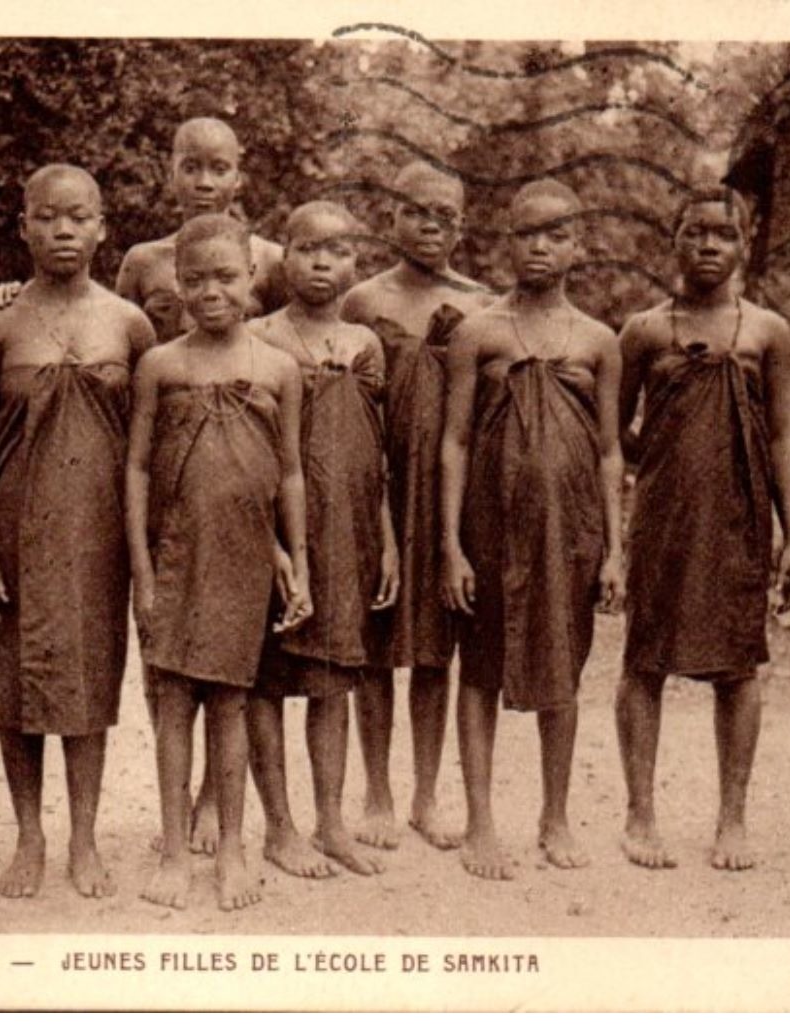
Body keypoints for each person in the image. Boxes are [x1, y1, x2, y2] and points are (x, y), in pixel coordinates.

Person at [0, 165, 155, 900]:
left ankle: (84, 838)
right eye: (47, 218)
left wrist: (143, 554)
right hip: (13, 531)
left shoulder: (129, 323)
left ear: (102, 226)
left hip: (96, 533)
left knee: (87, 681)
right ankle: (29, 836)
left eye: (78, 217)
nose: (63, 231)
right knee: (12, 681)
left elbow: (144, 450)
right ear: (23, 226)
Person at [616, 188, 790, 871]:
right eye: (693, 232)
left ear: (743, 245)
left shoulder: (766, 332)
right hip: (662, 519)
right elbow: (613, 434)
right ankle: (640, 816)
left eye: (722, 234)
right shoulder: (642, 331)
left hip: (740, 518)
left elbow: (785, 435)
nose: (706, 245)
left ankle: (732, 819)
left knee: (737, 664)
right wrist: (670, 459)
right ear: (672, 240)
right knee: (644, 660)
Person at [127, 213, 311, 911]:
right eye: (195, 278)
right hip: (174, 558)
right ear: (176, 282)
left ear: (252, 279)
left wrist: (298, 561)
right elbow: (138, 470)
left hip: (243, 560)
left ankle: (232, 849)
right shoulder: (160, 365)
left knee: (231, 706)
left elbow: (289, 473)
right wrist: (143, 570)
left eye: (225, 277)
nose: (211, 291)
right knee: (172, 707)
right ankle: (174, 852)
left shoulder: (276, 368)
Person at [440, 180, 623, 880]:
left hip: (568, 530)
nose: (539, 248)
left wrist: (614, 550)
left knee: (563, 665)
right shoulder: (478, 332)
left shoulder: (598, 341)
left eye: (554, 234)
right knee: (480, 667)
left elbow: (609, 452)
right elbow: (453, 442)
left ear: (576, 244)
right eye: (526, 234)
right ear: (507, 241)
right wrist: (449, 545)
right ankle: (479, 821)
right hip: (489, 527)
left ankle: (554, 817)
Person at [341, 160, 490, 851]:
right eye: (417, 212)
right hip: (374, 484)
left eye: (446, 216)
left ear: (461, 225)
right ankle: (374, 792)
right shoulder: (358, 300)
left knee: (435, 649)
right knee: (373, 643)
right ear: (391, 215)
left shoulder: (483, 303)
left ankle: (427, 796)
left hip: (448, 494)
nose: (431, 227)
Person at [245, 201, 393, 880]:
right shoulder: (257, 338)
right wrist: (271, 541)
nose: (321, 264)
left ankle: (331, 822)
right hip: (274, 529)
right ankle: (278, 827)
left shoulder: (367, 344)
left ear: (354, 263)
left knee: (335, 678)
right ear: (284, 256)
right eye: (307, 249)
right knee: (267, 680)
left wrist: (386, 540)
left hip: (350, 530)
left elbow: (377, 456)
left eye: (336, 252)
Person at [115, 117, 286, 343]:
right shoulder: (142, 261)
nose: (204, 182)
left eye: (219, 169)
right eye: (191, 168)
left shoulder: (270, 259)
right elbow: (122, 345)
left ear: (237, 179)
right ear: (171, 176)